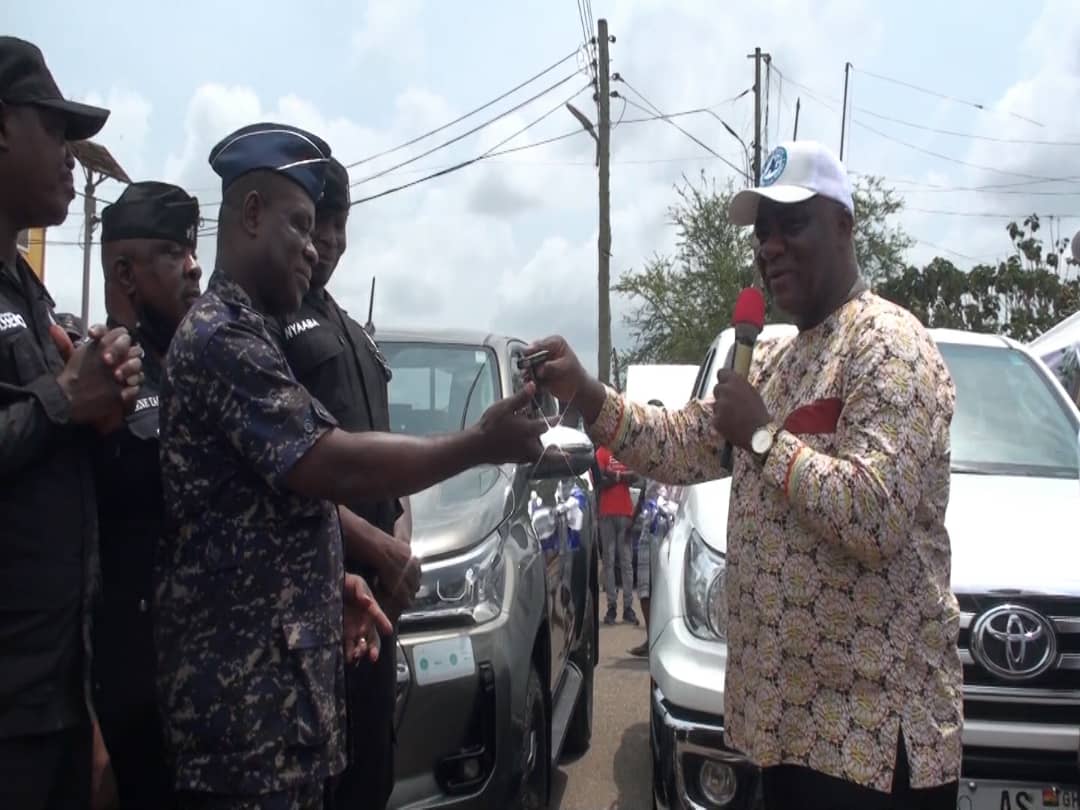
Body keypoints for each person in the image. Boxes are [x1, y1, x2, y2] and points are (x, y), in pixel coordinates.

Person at [526, 141, 962, 809]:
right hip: (789, 734)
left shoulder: (887, 345)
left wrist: (762, 436)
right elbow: (674, 443)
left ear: (845, 225)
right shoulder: (776, 360)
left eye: (792, 224)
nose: (770, 246)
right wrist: (586, 391)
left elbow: (876, 513)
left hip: (868, 749)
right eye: (762, 232)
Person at [157, 122, 546, 810]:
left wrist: (332, 583)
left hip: (286, 707)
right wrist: (478, 443)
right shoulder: (223, 337)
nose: (316, 247)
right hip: (245, 726)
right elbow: (328, 462)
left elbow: (272, 509)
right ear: (250, 215)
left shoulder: (257, 333)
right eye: (301, 225)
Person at [0, 36, 143, 810]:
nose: (70, 155)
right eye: (56, 131)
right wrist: (64, 400)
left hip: (55, 702)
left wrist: (102, 408)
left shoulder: (32, 299)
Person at [269, 158, 413, 810]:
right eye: (316, 223)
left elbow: (380, 450)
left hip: (375, 599)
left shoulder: (350, 329)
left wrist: (400, 535)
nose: (327, 239)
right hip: (311, 604)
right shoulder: (266, 327)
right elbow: (289, 473)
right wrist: (378, 550)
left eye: (338, 223)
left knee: (370, 775)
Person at [90, 181, 203, 809]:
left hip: (201, 706)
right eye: (171, 252)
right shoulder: (95, 383)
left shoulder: (197, 375)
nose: (193, 266)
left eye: (191, 250)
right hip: (127, 706)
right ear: (125, 274)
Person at [627, 399, 676, 658]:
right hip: (670, 525)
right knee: (659, 585)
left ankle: (654, 640)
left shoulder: (660, 449)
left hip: (658, 525)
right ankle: (655, 640)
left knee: (647, 585)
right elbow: (645, 490)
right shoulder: (676, 448)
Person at [596, 445, 640, 626]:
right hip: (607, 512)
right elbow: (600, 481)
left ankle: (628, 607)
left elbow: (635, 476)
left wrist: (613, 475)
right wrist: (622, 477)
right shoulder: (600, 453)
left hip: (625, 512)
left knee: (626, 562)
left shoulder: (625, 450)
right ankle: (612, 606)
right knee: (609, 561)